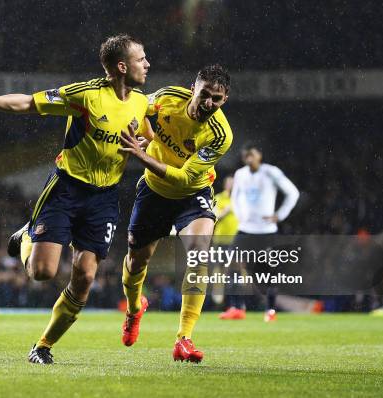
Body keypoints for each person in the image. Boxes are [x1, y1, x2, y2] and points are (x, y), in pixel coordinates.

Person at [0, 34, 150, 364]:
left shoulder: (141, 101)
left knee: (85, 276)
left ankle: (43, 346)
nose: (147, 64)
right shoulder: (86, 96)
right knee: (42, 272)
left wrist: (145, 145)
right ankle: (28, 235)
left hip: (103, 199)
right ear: (121, 66)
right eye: (141, 59)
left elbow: (147, 133)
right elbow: (30, 103)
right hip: (65, 190)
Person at [118, 64, 233, 362]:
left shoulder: (220, 135)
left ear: (225, 99)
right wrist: (147, 133)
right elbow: (138, 105)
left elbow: (182, 177)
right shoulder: (170, 96)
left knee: (198, 254)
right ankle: (133, 309)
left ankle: (184, 338)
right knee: (136, 259)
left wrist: (141, 153)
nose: (209, 103)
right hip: (153, 192)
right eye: (204, 94)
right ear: (193, 88)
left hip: (192, 194)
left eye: (216, 99)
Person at [219, 143, 299, 322]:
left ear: (259, 156)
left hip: (266, 231)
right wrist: (241, 216)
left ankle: (270, 310)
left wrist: (280, 215)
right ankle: (236, 307)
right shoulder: (240, 174)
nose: (249, 159)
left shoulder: (271, 172)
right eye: (246, 156)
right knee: (232, 265)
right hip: (245, 230)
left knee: (267, 272)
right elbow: (235, 197)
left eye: (252, 155)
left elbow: (293, 193)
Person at [211, 176, 239, 308]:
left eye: (233, 183)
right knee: (220, 267)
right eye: (229, 183)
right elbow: (214, 217)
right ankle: (218, 297)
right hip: (221, 239)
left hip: (237, 239)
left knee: (235, 269)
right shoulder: (219, 198)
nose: (231, 185)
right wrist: (226, 211)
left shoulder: (240, 198)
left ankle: (235, 301)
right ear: (225, 184)